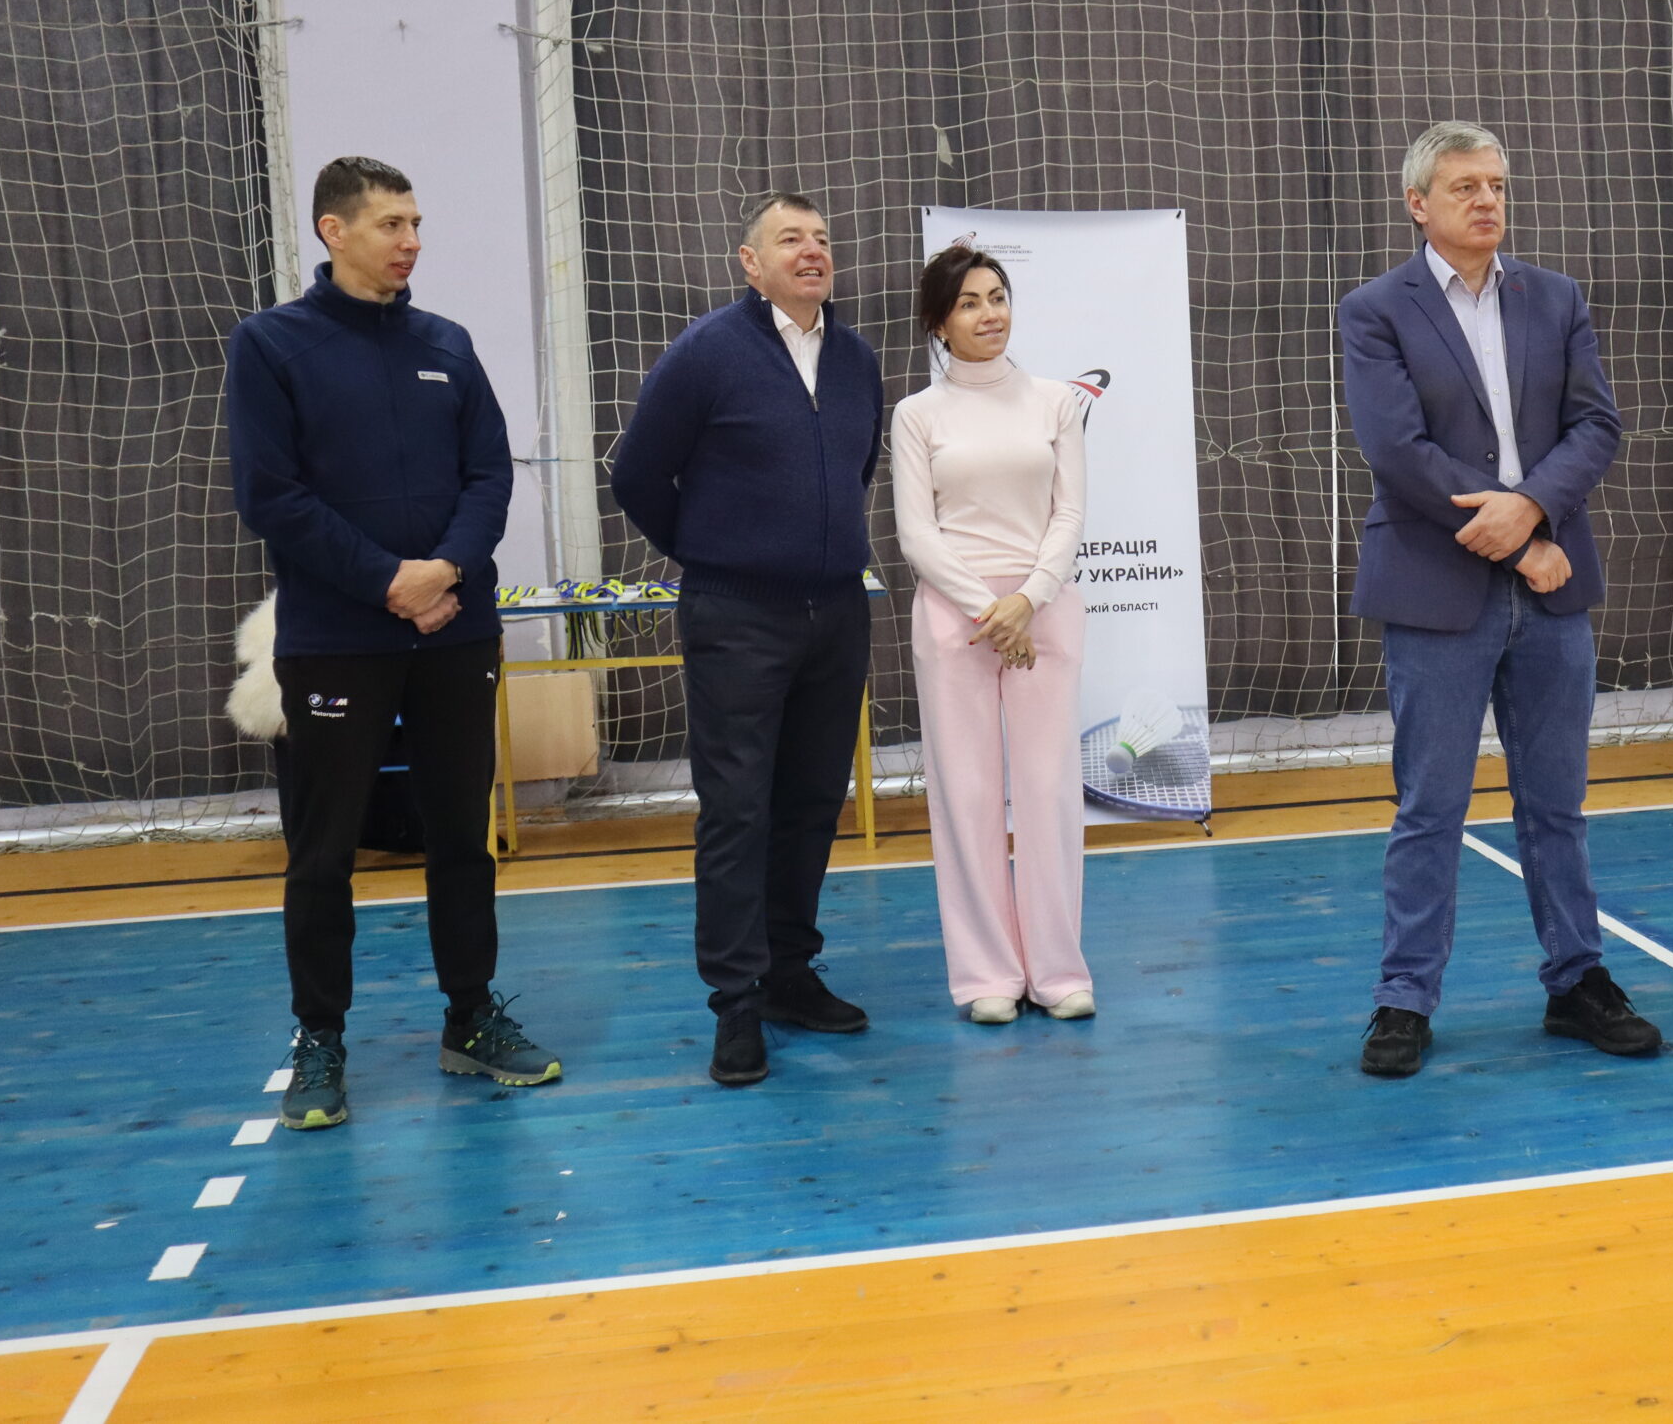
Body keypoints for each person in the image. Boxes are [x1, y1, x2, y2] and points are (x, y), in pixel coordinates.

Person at [226, 156, 561, 1131]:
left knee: (461, 836)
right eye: (390, 224)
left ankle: (471, 1017)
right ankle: (321, 1038)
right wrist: (388, 582)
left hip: (456, 629)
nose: (411, 240)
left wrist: (443, 571)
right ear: (333, 231)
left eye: (416, 223)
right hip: (336, 639)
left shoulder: (447, 343)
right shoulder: (271, 345)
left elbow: (489, 475)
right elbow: (271, 496)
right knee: (322, 850)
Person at [1338, 121, 1662, 1078]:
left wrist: (1534, 509)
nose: (1488, 200)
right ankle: (1404, 998)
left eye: (1497, 184)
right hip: (1441, 590)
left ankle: (1577, 979)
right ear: (1418, 204)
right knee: (1429, 807)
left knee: (1556, 803)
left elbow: (1596, 424)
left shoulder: (1554, 296)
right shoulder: (1375, 310)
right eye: (1465, 186)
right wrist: (1524, 542)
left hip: (1553, 591)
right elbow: (1397, 451)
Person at [610, 192, 883, 1086]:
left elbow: (856, 467)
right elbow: (637, 474)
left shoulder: (856, 359)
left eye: (822, 238)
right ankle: (735, 1001)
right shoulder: (706, 352)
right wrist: (710, 548)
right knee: (736, 809)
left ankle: (789, 974)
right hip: (736, 615)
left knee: (812, 799)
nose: (812, 251)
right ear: (750, 262)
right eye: (789, 239)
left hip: (836, 612)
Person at [892, 244, 1093, 1025]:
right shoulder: (918, 415)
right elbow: (918, 533)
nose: (990, 314)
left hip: (1044, 611)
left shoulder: (1056, 402)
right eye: (970, 302)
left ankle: (1058, 969)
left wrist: (1028, 599)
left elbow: (1069, 513)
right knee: (968, 794)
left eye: (998, 296)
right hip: (957, 617)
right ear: (939, 322)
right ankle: (986, 974)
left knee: (1048, 790)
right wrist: (990, 609)